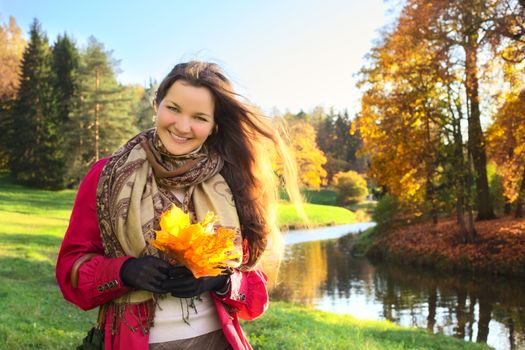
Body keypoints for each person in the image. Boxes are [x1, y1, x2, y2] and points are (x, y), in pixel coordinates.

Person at [56, 61, 302, 350]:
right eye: (173, 109)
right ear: (156, 105)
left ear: (214, 126)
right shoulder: (106, 176)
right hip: (136, 341)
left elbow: (255, 297)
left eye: (199, 117)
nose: (182, 126)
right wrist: (124, 272)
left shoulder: (230, 181)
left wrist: (218, 281)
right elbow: (70, 271)